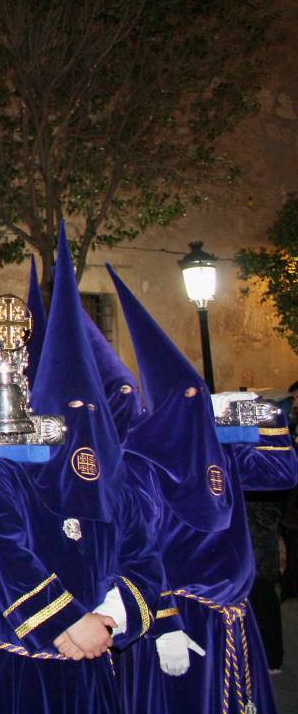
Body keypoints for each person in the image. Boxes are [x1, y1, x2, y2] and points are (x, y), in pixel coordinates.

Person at [0, 229, 163, 714]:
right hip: (19, 671)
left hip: (92, 667)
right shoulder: (8, 475)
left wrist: (108, 622)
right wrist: (67, 622)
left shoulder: (117, 490)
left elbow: (145, 561)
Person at [109, 265, 297, 714]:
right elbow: (137, 551)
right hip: (181, 616)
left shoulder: (221, 452)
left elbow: (281, 474)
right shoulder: (140, 466)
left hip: (234, 615)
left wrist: (266, 416)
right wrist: (164, 624)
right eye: (189, 402)